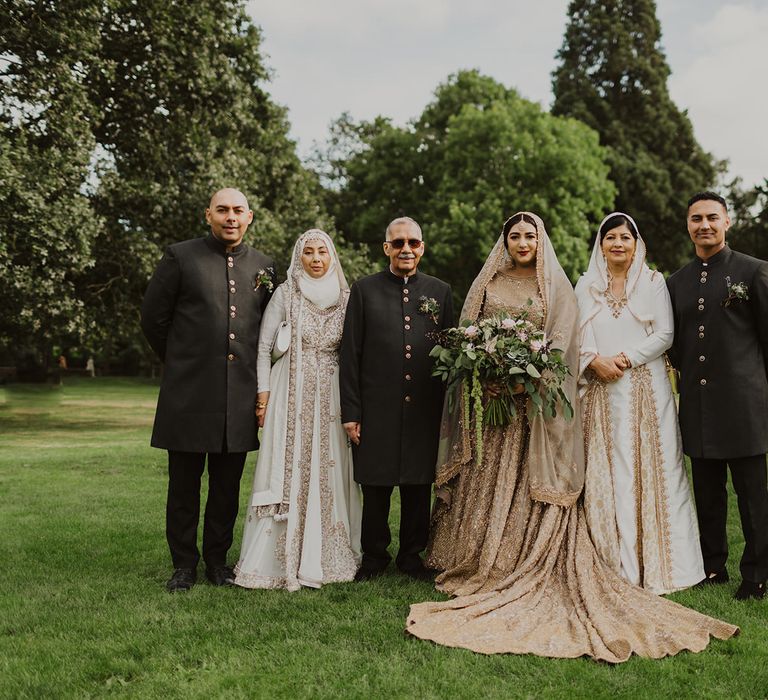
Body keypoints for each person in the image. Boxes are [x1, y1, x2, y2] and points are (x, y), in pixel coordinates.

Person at [407, 212, 737, 663]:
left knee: (648, 472)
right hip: (503, 398)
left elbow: (564, 340)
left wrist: (540, 374)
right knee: (526, 474)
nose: (523, 241)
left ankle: (654, 564)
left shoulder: (572, 284)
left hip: (554, 399)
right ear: (505, 241)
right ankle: (481, 558)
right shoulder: (515, 283)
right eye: (515, 235)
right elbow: (489, 335)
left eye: (530, 235)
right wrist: (489, 368)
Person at [141, 188, 274, 592]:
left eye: (237, 211)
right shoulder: (180, 257)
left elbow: (270, 330)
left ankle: (218, 562)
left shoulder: (265, 265)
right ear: (208, 215)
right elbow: (153, 318)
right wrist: (183, 361)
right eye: (222, 210)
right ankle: (184, 565)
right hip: (188, 395)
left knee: (226, 488)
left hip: (238, 398)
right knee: (183, 486)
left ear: (249, 216)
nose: (230, 217)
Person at [576, 212, 703, 594]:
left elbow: (665, 333)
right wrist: (593, 360)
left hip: (645, 392)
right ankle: (609, 560)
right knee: (609, 473)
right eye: (610, 237)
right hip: (599, 392)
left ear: (636, 244)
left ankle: (662, 565)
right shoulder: (585, 285)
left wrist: (626, 359)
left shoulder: (652, 282)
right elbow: (573, 334)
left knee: (652, 471)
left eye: (624, 238)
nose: (617, 244)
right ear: (600, 244)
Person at [234, 229, 362, 590]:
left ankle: (328, 553)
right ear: (299, 256)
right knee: (289, 466)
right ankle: (277, 558)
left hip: (333, 396)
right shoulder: (285, 293)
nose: (317, 258)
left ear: (332, 256)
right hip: (290, 391)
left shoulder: (347, 297)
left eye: (323, 251)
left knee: (329, 469)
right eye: (309, 252)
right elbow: (262, 348)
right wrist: (263, 395)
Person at [339, 216, 454, 581]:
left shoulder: (440, 291)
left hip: (424, 407)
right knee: (376, 486)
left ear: (422, 247)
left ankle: (411, 556)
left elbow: (451, 353)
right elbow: (350, 355)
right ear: (386, 247)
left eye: (414, 243)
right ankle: (374, 557)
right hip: (377, 407)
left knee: (418, 486)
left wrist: (446, 414)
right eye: (399, 243)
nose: (407, 249)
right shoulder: (364, 290)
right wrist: (351, 412)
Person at [667, 191, 768, 600]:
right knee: (707, 496)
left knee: (753, 498)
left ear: (728, 222)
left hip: (744, 407)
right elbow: (675, 344)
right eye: (696, 219)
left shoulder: (755, 272)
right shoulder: (676, 282)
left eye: (712, 217)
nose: (704, 225)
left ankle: (757, 574)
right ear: (688, 225)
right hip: (699, 405)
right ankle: (712, 568)